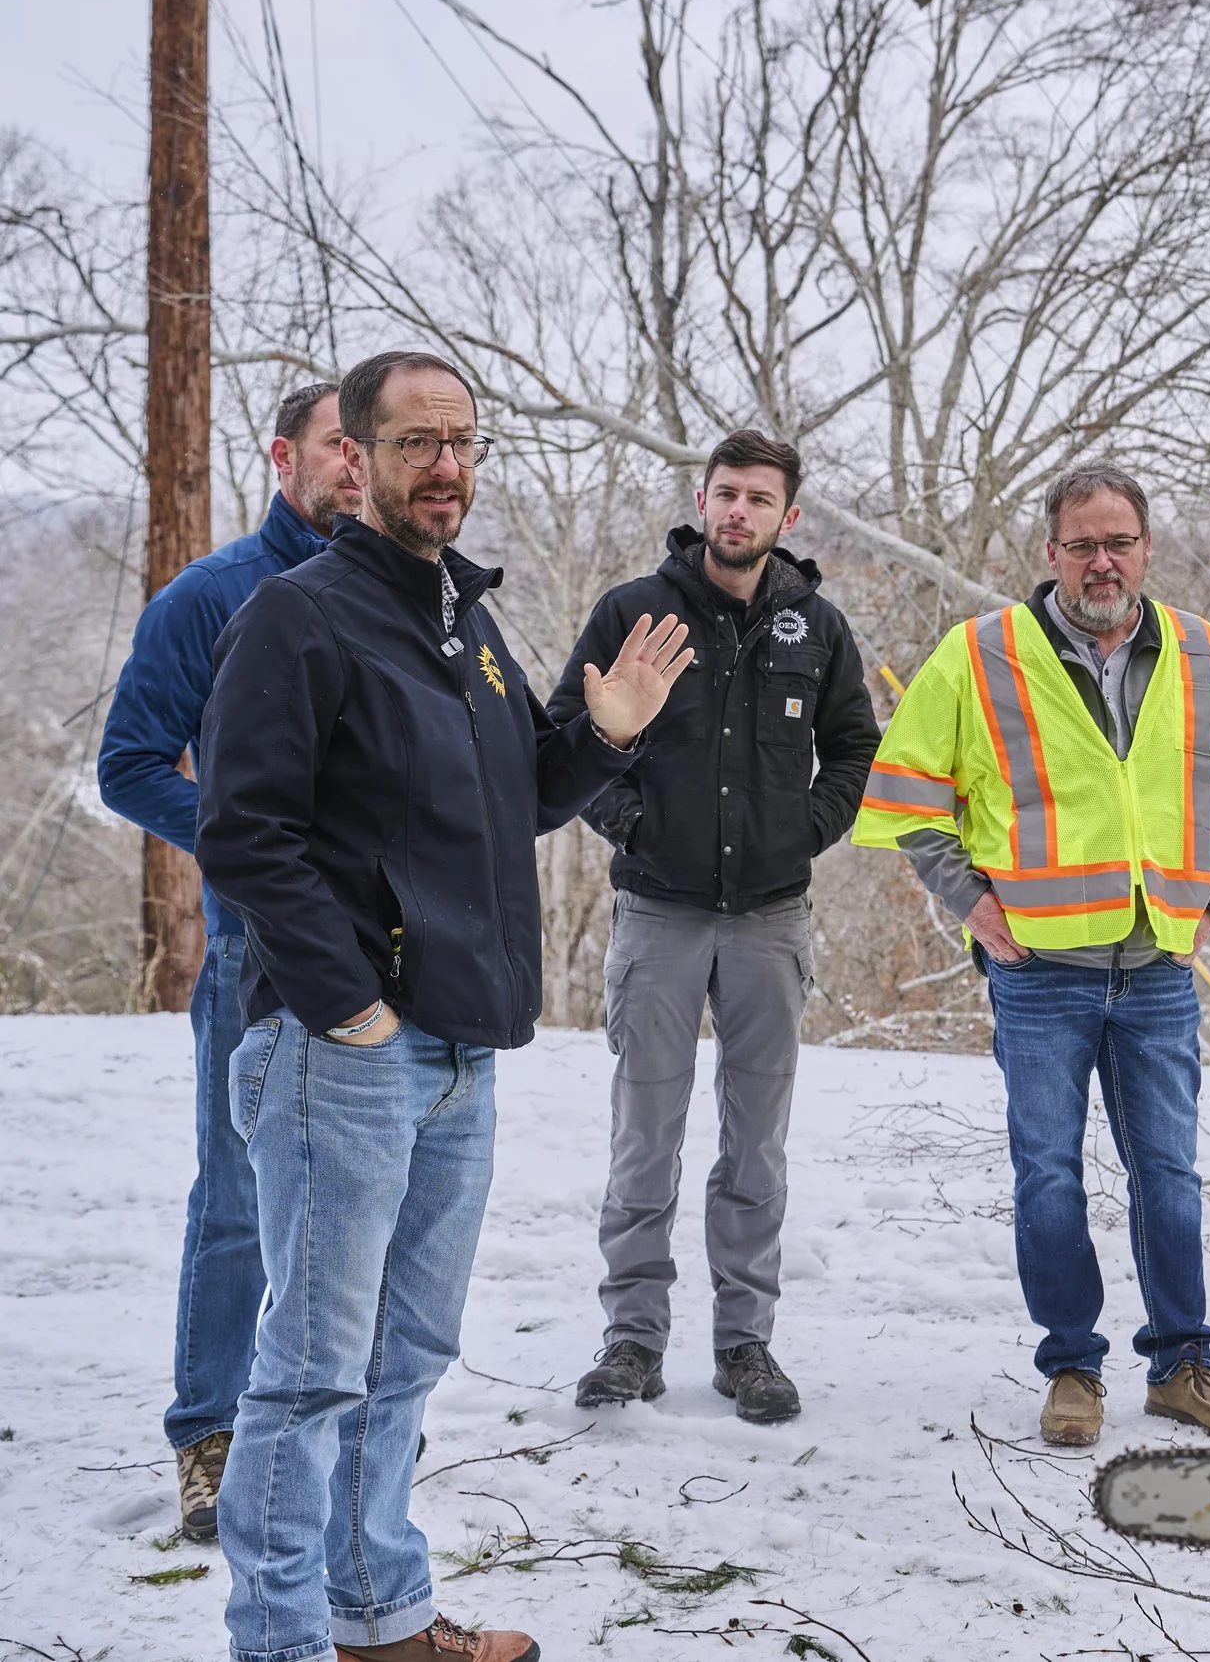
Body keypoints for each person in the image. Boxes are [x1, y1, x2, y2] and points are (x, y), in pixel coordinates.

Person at [197, 349, 691, 1662]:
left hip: (461, 1048)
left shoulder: (460, 618)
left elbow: (511, 793)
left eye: (463, 438)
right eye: (418, 441)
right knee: (309, 1372)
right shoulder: (299, 619)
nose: (447, 465)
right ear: (354, 459)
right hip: (342, 1052)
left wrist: (604, 733)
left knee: (405, 1354)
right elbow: (243, 832)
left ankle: (380, 1620)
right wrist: (347, 1002)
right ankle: (283, 1639)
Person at [850, 462, 1210, 1448]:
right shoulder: (980, 653)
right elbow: (910, 798)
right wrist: (969, 901)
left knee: (1167, 1173)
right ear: (1050, 553)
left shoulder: (1202, 653)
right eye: (1082, 542)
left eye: (1118, 541)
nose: (1102, 560)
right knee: (1048, 1173)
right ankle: (1072, 1369)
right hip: (1040, 970)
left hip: (1160, 966)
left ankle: (1182, 1365)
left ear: (1145, 547)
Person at [547, 429, 879, 1425]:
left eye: (759, 498)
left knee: (756, 1145)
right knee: (645, 1134)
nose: (739, 511)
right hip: (659, 913)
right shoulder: (634, 612)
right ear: (703, 499)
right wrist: (635, 823)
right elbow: (570, 738)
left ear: (787, 517)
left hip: (771, 920)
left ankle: (746, 1343)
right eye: (726, 493)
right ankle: (632, 1339)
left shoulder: (814, 627)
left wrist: (805, 831)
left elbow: (856, 745)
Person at [96, 381, 359, 1543]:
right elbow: (130, 763)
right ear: (284, 456)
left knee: (365, 1201)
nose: (357, 467)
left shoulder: (417, 591)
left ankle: (340, 1430)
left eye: (374, 446)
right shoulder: (210, 596)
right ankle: (209, 1432)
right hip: (257, 941)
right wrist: (254, 837)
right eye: (337, 446)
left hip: (386, 948)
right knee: (239, 1195)